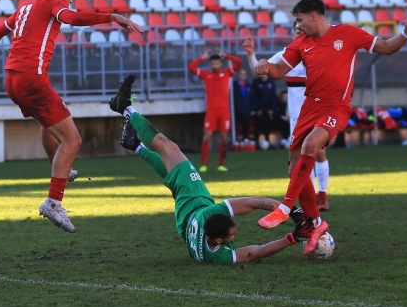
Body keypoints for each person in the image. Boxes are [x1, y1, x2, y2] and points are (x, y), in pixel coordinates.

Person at [243, 0, 407, 254]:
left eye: (299, 19)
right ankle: (315, 224)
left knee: (311, 144)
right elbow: (279, 70)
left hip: (335, 107)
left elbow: (386, 47)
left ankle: (284, 208)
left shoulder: (348, 33)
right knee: (294, 169)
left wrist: (405, 32)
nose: (298, 24)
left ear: (314, 16)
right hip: (309, 108)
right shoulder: (301, 43)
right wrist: (263, 65)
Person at [0, 0, 143, 233]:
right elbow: (72, 19)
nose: (70, 0)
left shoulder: (25, 7)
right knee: (73, 140)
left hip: (12, 79)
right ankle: (54, 201)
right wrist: (112, 17)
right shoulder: (53, 2)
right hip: (32, 79)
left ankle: (59, 171)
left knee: (49, 122)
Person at [109, 75, 313, 263]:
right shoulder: (215, 254)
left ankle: (126, 109)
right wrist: (293, 236)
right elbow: (256, 251)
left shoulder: (210, 218)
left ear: (216, 240)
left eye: (232, 234)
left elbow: (254, 204)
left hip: (195, 204)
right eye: (232, 234)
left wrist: (292, 212)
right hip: (184, 223)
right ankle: (134, 140)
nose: (236, 235)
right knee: (172, 169)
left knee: (169, 148)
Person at [268, 25, 331, 210]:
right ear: (292, 35)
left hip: (316, 110)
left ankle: (323, 196)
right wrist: (251, 54)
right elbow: (264, 69)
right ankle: (310, 201)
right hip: (297, 116)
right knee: (304, 157)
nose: (300, 35)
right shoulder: (284, 56)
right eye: (297, 32)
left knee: (318, 153)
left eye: (303, 32)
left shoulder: (316, 53)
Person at [188, 49, 242, 172]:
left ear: (220, 64)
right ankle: (204, 164)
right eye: (213, 64)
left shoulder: (227, 73)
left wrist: (226, 55)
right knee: (207, 136)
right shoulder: (205, 74)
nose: (215, 65)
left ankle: (221, 164)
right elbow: (191, 67)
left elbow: (238, 62)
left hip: (224, 110)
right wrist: (202, 57)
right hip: (211, 110)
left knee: (223, 137)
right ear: (210, 64)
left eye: (217, 63)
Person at [251, 73, 278, 149]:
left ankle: (268, 141)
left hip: (268, 109)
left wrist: (272, 109)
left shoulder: (271, 83)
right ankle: (256, 142)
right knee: (258, 125)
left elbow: (273, 96)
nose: (263, 75)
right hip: (259, 110)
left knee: (267, 125)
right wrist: (257, 108)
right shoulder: (256, 83)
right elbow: (254, 97)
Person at [232, 69, 253, 143]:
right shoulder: (234, 85)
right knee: (236, 125)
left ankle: (245, 138)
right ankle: (235, 139)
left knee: (246, 124)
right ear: (238, 75)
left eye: (244, 74)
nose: (243, 76)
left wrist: (252, 108)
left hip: (246, 109)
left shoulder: (248, 85)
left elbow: (251, 97)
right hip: (237, 109)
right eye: (241, 74)